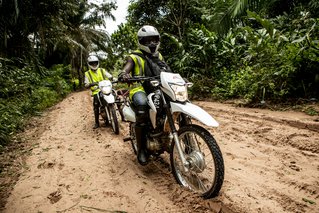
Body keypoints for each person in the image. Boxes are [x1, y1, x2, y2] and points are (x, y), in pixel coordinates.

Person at [118, 25, 171, 165]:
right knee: (142, 108)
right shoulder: (134, 56)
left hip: (157, 87)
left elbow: (166, 70)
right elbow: (127, 67)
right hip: (139, 89)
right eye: (147, 41)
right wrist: (124, 74)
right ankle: (141, 149)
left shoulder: (159, 55)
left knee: (172, 103)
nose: (152, 44)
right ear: (141, 41)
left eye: (154, 40)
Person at [84, 55, 113, 129]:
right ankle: (97, 122)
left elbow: (109, 76)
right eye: (92, 63)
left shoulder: (102, 70)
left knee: (116, 98)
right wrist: (90, 84)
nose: (94, 64)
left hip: (106, 88)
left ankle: (121, 115)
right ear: (89, 64)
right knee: (96, 105)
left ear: (98, 63)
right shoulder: (87, 73)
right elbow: (86, 83)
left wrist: (112, 78)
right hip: (96, 91)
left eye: (95, 63)